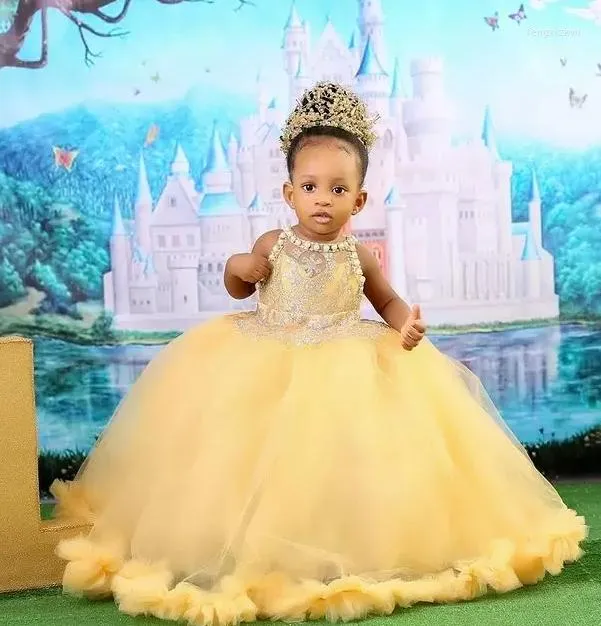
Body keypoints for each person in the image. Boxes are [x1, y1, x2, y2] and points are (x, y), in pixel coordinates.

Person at [51, 82, 587, 625]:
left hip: (346, 360)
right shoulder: (272, 244)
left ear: (359, 199)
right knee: (250, 458)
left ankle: (352, 542)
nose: (322, 200)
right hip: (266, 357)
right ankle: (251, 544)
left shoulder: (359, 254)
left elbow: (387, 300)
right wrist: (242, 268)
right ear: (289, 194)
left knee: (352, 457)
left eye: (337, 189)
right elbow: (236, 284)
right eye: (310, 187)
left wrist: (407, 324)